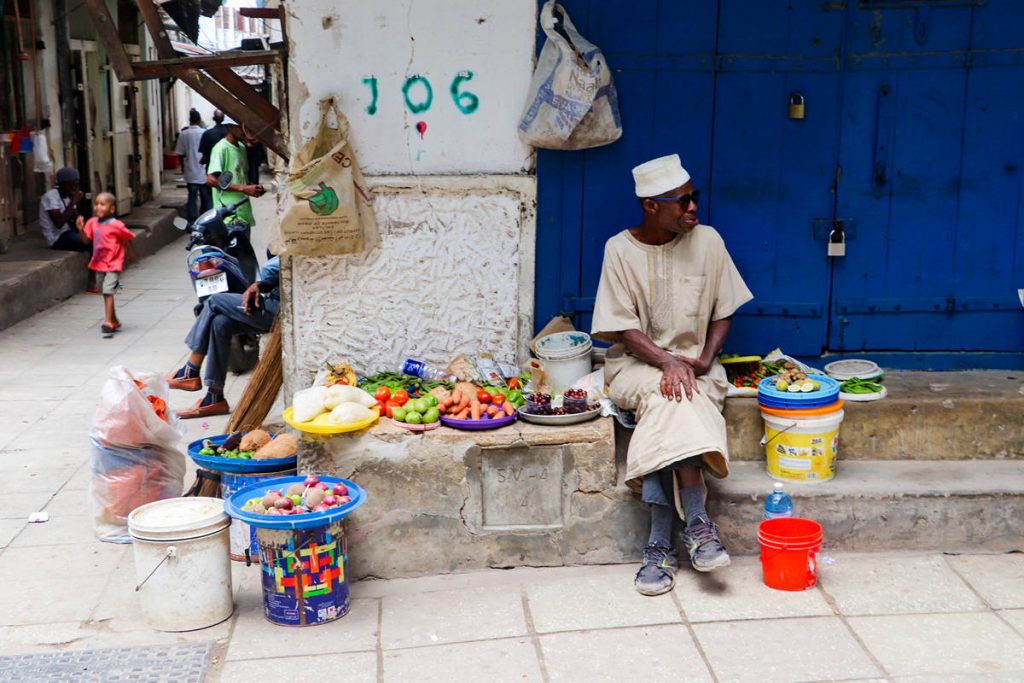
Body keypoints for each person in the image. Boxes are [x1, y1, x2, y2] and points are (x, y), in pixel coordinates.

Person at [591, 154, 753, 596]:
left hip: (699, 369)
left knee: (674, 400)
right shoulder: (619, 250)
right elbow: (623, 327)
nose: (693, 208)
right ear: (651, 206)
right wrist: (667, 362)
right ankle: (698, 523)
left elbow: (725, 310)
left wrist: (701, 358)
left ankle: (660, 544)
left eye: (693, 197)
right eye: (682, 201)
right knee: (672, 396)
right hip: (636, 366)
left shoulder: (709, 241)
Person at [167, 257, 279, 418]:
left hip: (280, 307)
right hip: (272, 300)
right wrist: (261, 285)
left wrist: (260, 285)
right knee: (221, 323)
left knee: (215, 301)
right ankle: (214, 397)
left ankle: (190, 370)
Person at [76, 192, 136, 336]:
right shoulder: (92, 223)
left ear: (112, 209)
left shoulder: (117, 225)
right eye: (96, 204)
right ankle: (114, 320)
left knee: (108, 291)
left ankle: (108, 321)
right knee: (104, 292)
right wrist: (80, 230)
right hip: (98, 263)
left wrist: (131, 253)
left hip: (114, 263)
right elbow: (86, 241)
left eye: (102, 204)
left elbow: (127, 238)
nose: (98, 207)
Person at [39, 167, 97, 292]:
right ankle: (92, 281)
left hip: (68, 232)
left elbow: (77, 219)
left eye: (76, 185)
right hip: (57, 238)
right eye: (72, 185)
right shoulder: (50, 197)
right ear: (63, 184)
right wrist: (73, 202)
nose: (75, 189)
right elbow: (59, 223)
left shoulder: (67, 196)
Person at [207, 117, 265, 232]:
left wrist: (252, 189)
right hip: (228, 217)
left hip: (243, 214)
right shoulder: (221, 149)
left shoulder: (242, 147)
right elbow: (211, 180)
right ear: (230, 127)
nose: (244, 131)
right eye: (241, 127)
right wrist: (243, 188)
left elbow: (241, 178)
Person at [175, 109, 210, 221]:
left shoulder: (183, 134)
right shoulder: (204, 133)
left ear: (190, 120)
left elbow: (180, 153)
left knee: (192, 198)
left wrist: (182, 167)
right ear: (199, 120)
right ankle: (205, 220)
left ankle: (193, 222)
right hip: (203, 171)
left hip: (190, 171)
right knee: (206, 198)